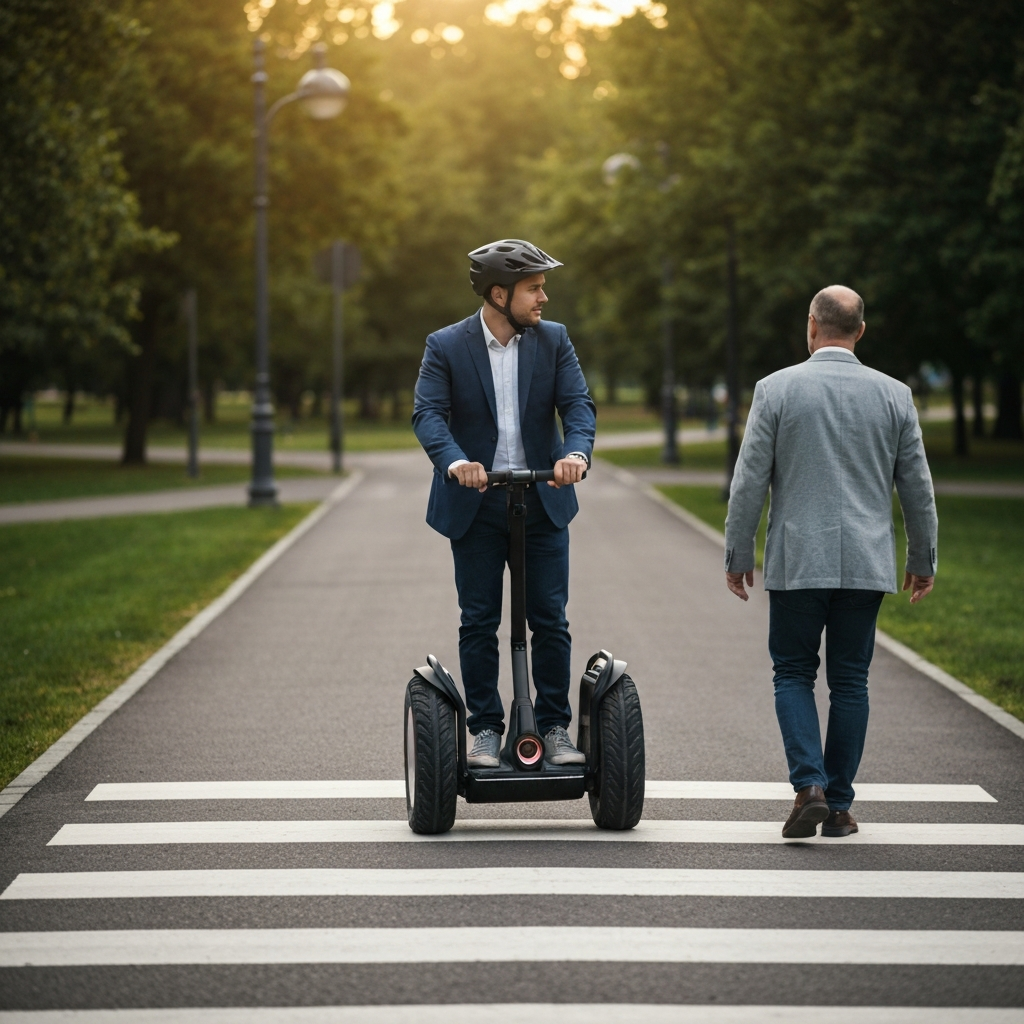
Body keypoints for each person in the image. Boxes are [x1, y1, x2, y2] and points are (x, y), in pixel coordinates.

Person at [724, 285, 938, 839]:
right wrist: (922, 557)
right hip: (866, 562)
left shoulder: (776, 390)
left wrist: (738, 553)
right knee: (850, 681)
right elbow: (917, 486)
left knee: (793, 672)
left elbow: (749, 479)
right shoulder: (895, 395)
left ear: (812, 326)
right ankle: (839, 806)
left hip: (799, 559)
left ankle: (809, 787)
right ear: (860, 331)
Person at [412, 239, 596, 767]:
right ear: (499, 294)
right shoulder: (446, 345)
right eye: (534, 288)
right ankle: (487, 731)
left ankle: (556, 727)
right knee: (478, 619)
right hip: (477, 502)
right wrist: (455, 462)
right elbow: (428, 414)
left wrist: (576, 452)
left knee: (550, 618)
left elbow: (578, 405)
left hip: (543, 499)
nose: (543, 298)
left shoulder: (554, 340)